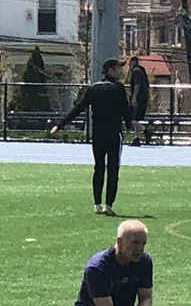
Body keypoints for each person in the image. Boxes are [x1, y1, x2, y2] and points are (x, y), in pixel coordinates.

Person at [51, 59, 139, 217]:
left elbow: (78, 108)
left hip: (98, 133)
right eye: (119, 68)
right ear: (110, 70)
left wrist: (60, 124)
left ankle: (97, 204)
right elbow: (125, 110)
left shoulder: (93, 89)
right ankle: (109, 205)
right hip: (113, 133)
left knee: (99, 168)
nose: (121, 71)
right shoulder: (118, 89)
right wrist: (129, 123)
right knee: (113, 169)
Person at [128, 56, 153, 146]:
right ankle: (136, 138)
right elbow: (147, 85)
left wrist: (134, 97)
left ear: (133, 62)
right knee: (136, 119)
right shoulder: (142, 71)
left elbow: (137, 84)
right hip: (143, 97)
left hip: (139, 97)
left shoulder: (136, 71)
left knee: (130, 118)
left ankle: (146, 130)